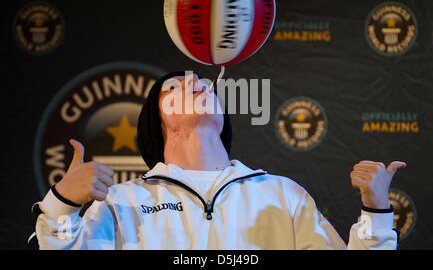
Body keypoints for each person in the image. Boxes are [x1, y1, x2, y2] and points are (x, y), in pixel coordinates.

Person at [29, 71, 406, 249]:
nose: (194, 81)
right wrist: (61, 205)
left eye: (199, 81)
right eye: (174, 87)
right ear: (155, 122)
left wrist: (375, 213)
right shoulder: (122, 202)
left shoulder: (283, 194)